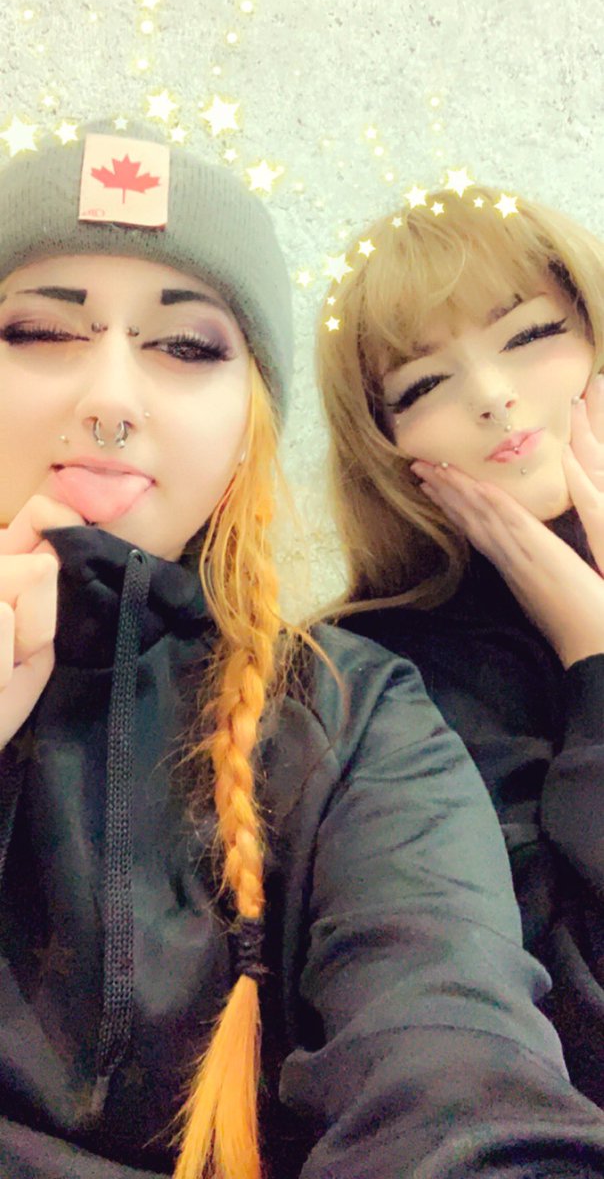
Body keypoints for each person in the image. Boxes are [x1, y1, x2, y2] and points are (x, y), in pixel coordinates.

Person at [1, 129, 604, 1179]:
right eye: (37, 332)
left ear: (251, 423)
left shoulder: (350, 714)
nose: (110, 400)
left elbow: (456, 1064)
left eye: (187, 347)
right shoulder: (408, 664)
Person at [316, 181, 604, 1113]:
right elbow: (559, 1038)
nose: (493, 397)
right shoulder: (369, 679)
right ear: (387, 449)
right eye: (424, 385)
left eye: (531, 333)